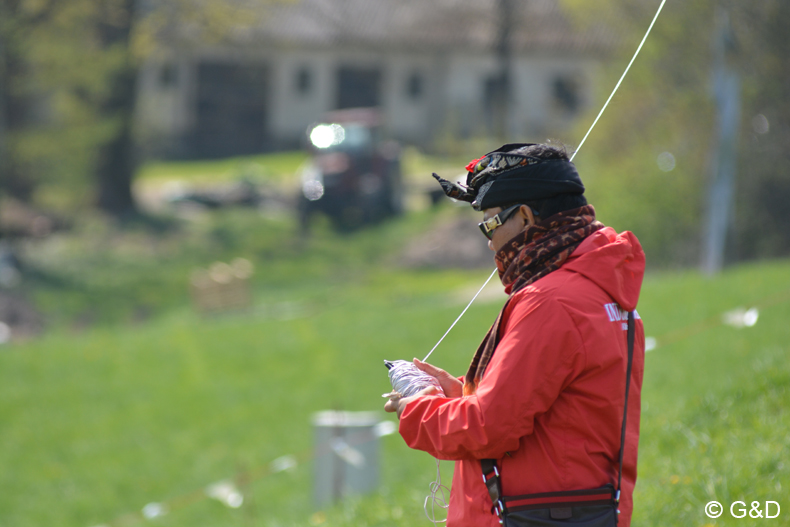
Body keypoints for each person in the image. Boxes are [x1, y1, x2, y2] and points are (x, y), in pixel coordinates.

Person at [384, 143, 645, 527]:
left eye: (489, 223)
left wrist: (419, 407)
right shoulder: (601, 289)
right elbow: (551, 409)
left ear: (524, 216)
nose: (489, 241)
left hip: (532, 515)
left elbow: (488, 428)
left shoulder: (551, 302)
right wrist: (460, 394)